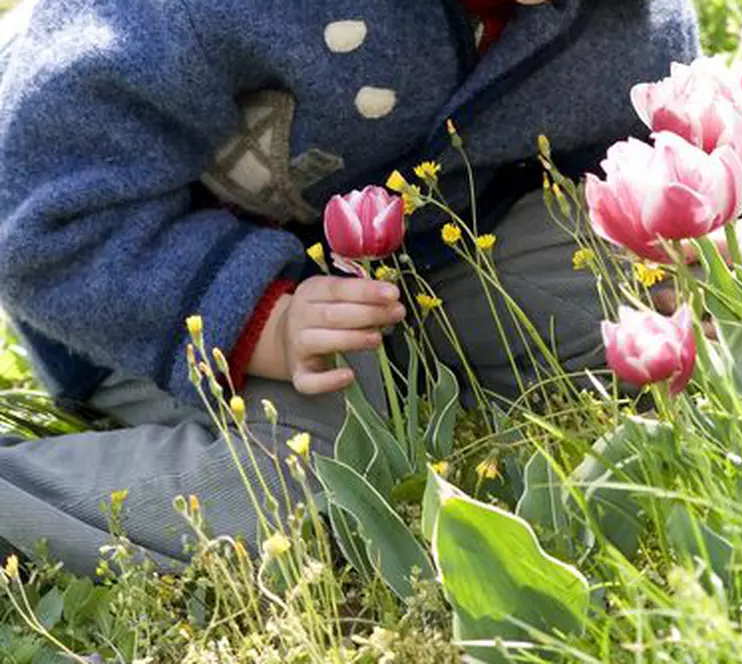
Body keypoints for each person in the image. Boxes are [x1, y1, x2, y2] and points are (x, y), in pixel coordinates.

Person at [0, 0, 699, 574]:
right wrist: (258, 321)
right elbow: (41, 217)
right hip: (144, 299)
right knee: (339, 470)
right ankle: (22, 503)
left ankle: (434, 379)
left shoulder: (620, 19)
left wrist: (673, 234)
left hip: (422, 259)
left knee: (638, 295)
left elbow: (623, 138)